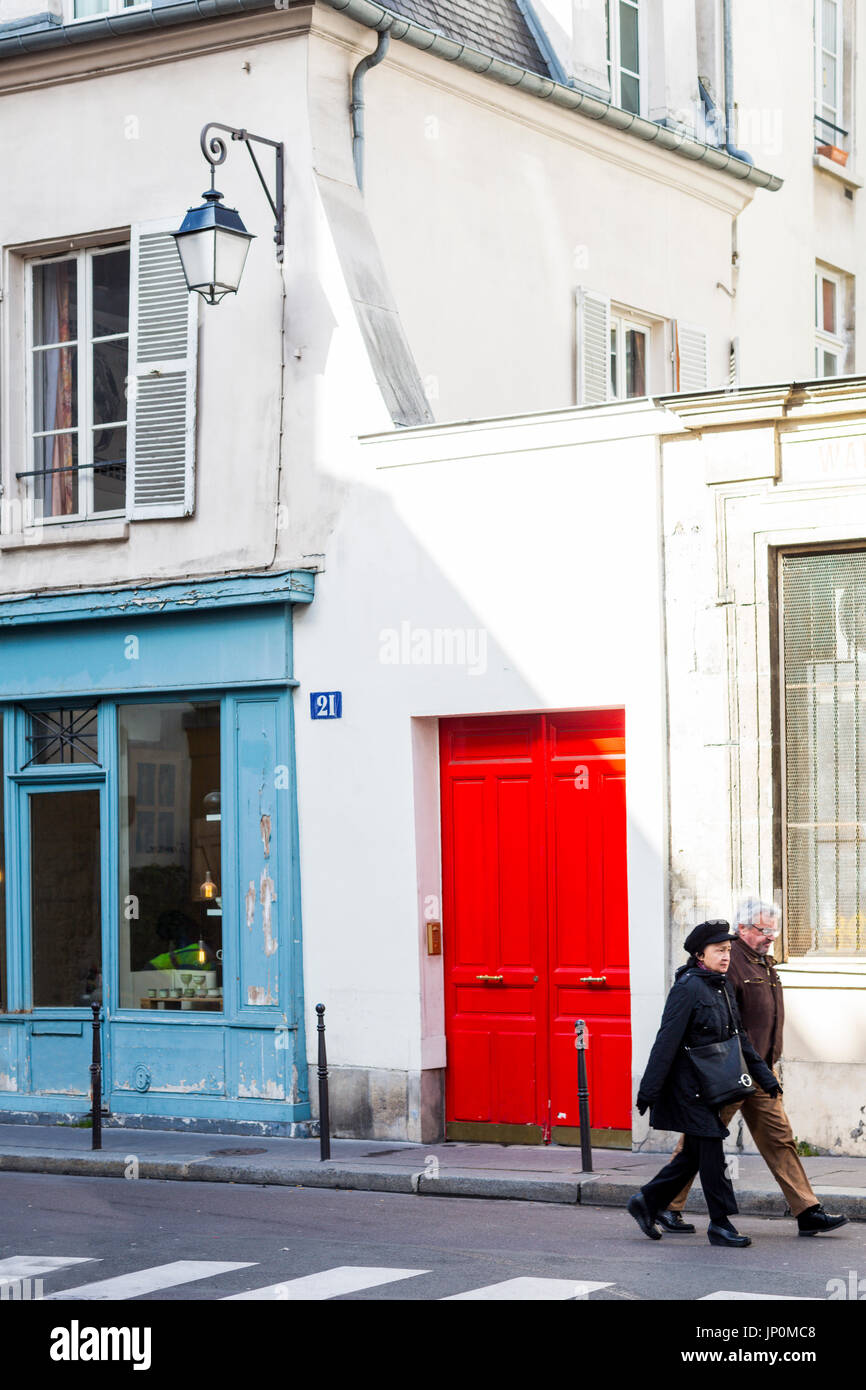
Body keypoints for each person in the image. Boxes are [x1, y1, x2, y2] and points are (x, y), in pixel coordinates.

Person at [656, 898, 848, 1239]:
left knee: (780, 1139)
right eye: (763, 929)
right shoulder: (728, 966)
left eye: (773, 929)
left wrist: (765, 1069)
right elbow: (723, 1024)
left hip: (760, 1071)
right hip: (727, 1073)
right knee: (698, 1143)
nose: (770, 936)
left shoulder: (763, 963)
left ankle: (807, 1210)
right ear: (742, 929)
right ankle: (665, 1205)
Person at [627, 920, 779, 1248]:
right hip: (687, 1090)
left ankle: (647, 1201)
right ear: (700, 954)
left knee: (693, 1156)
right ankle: (720, 1225)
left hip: (710, 1088)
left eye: (728, 950)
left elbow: (739, 1037)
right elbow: (666, 1040)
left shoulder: (721, 986)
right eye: (719, 951)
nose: (726, 957)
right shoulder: (688, 987)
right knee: (712, 1155)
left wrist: (765, 1078)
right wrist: (649, 1090)